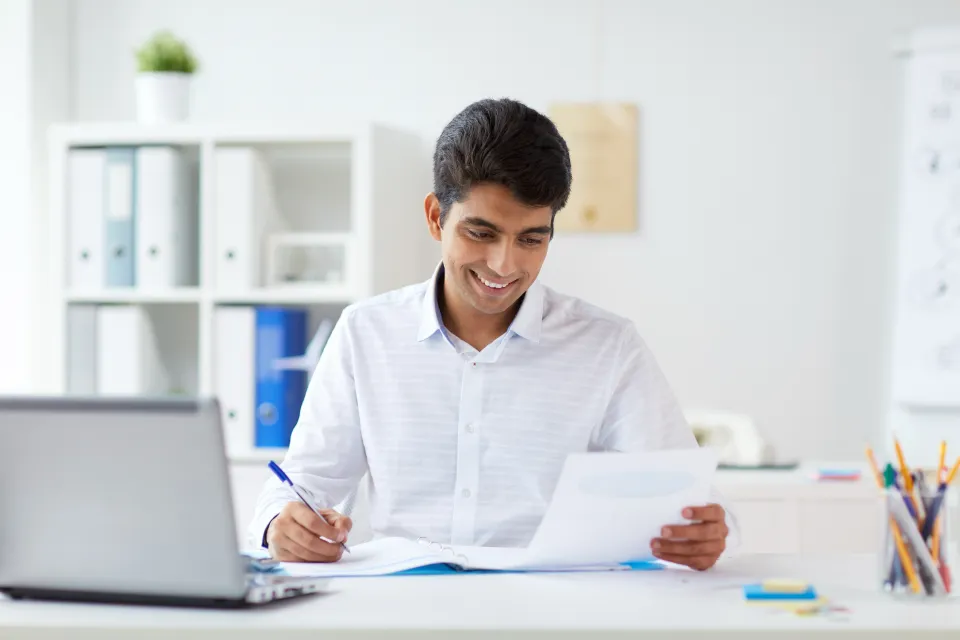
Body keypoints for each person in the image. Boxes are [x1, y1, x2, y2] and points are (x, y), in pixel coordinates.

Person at [249, 98, 736, 571]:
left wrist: (706, 532)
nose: (504, 265)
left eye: (531, 239)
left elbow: (690, 497)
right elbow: (299, 487)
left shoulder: (608, 346)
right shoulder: (365, 333)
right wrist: (281, 523)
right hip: (405, 609)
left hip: (554, 613)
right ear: (436, 217)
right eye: (481, 233)